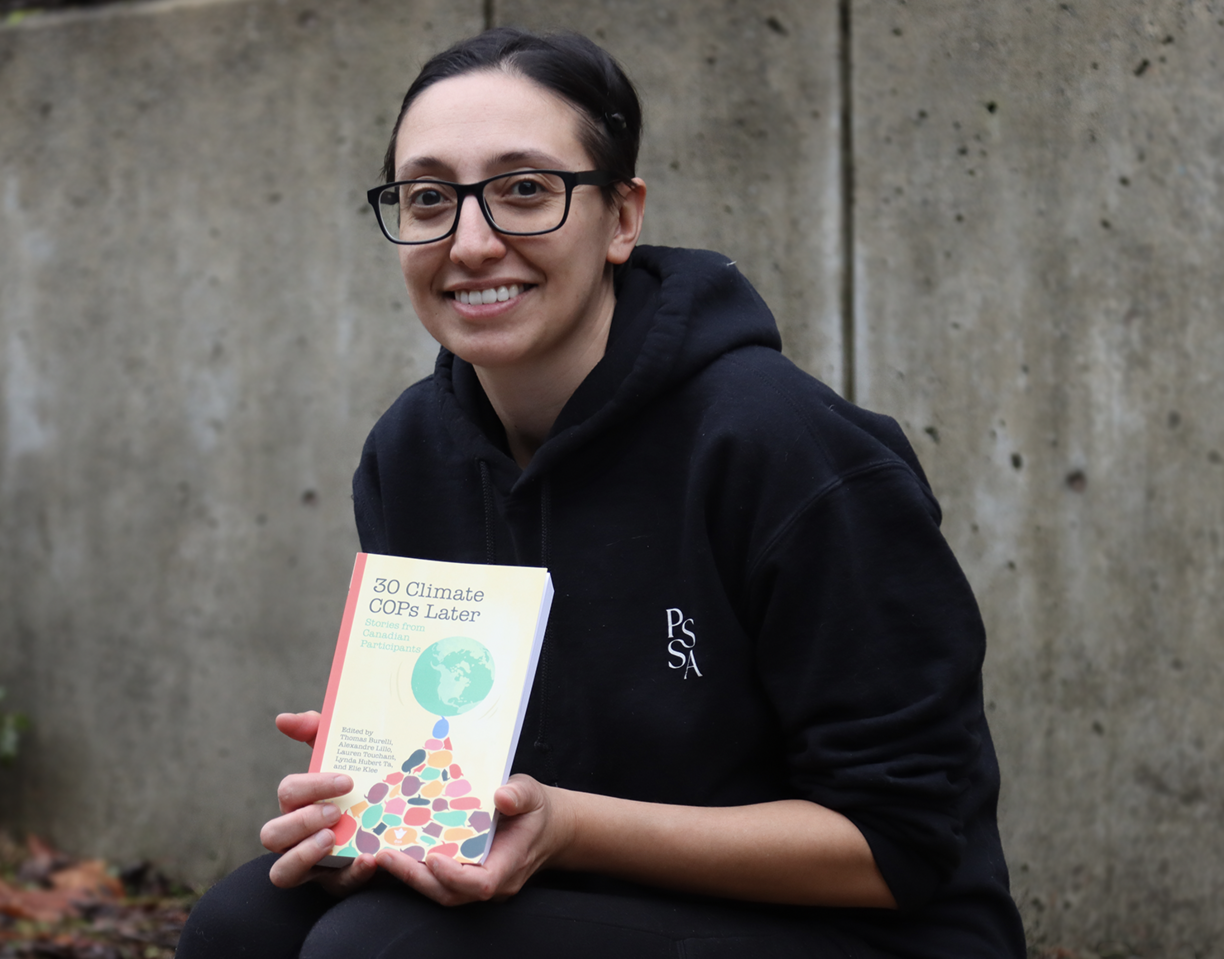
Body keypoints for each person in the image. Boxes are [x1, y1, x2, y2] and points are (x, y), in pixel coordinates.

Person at [178, 27, 1026, 959]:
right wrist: (375, 811)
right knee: (242, 927)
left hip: (865, 927)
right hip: (583, 894)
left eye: (524, 190)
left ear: (622, 216)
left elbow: (901, 843)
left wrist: (571, 826)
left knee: (381, 950)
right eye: (428, 199)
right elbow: (473, 785)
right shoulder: (410, 451)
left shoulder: (785, 446)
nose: (471, 242)